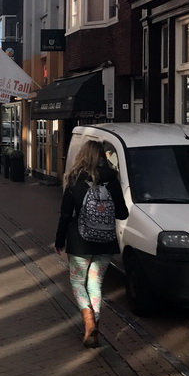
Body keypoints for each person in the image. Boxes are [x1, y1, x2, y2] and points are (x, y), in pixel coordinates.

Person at [54, 140, 128, 348]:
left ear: (82, 155)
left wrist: (60, 240)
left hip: (80, 242)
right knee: (95, 284)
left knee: (78, 283)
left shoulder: (74, 179)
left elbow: (66, 215)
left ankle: (88, 323)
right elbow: (123, 213)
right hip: (105, 242)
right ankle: (94, 321)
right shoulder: (112, 180)